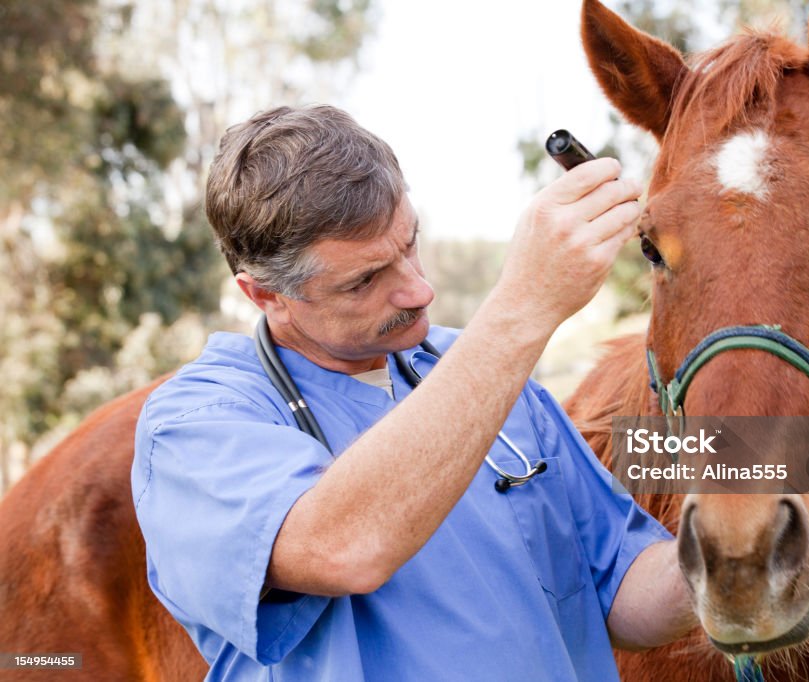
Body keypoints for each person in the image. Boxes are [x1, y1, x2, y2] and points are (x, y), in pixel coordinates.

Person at [131, 104, 695, 681]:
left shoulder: (481, 374)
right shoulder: (193, 425)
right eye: (365, 280)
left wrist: (739, 543)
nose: (419, 291)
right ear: (264, 295)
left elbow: (621, 588)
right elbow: (343, 547)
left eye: (410, 244)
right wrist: (525, 305)